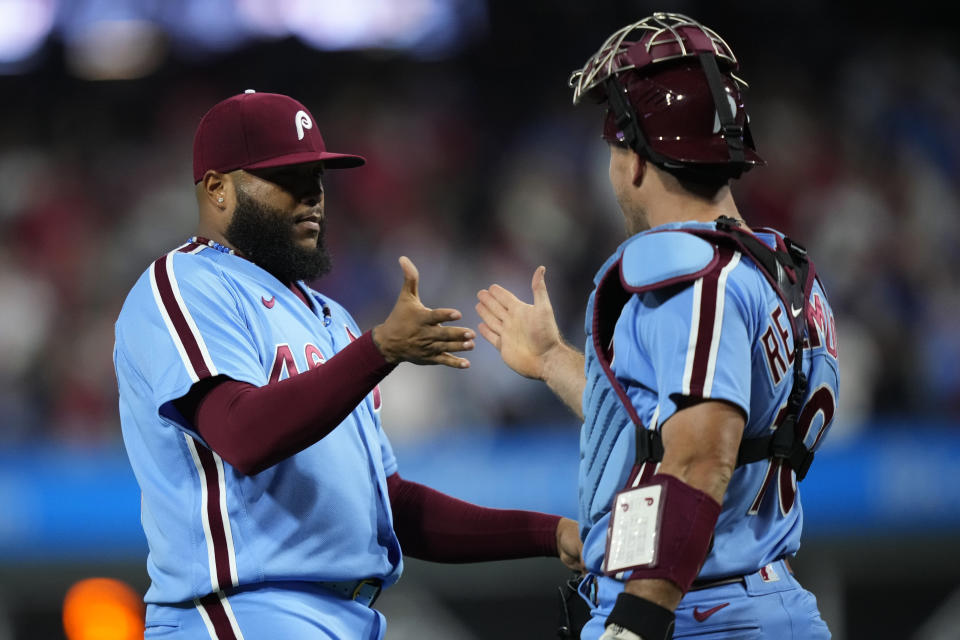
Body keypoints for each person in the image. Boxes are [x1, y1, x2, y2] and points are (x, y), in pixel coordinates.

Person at [113, 89, 583, 639]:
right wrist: (380, 350)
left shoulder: (330, 316)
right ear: (217, 188)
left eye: (316, 178)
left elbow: (392, 505)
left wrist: (551, 534)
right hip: (240, 613)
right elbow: (241, 434)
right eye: (286, 179)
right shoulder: (187, 283)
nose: (311, 196)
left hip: (351, 616)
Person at [476, 12, 837, 640]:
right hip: (761, 597)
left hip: (697, 613)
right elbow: (661, 426)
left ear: (636, 161)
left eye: (614, 149)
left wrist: (639, 618)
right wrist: (551, 359)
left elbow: (700, 455)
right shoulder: (777, 268)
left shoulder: (690, 275)